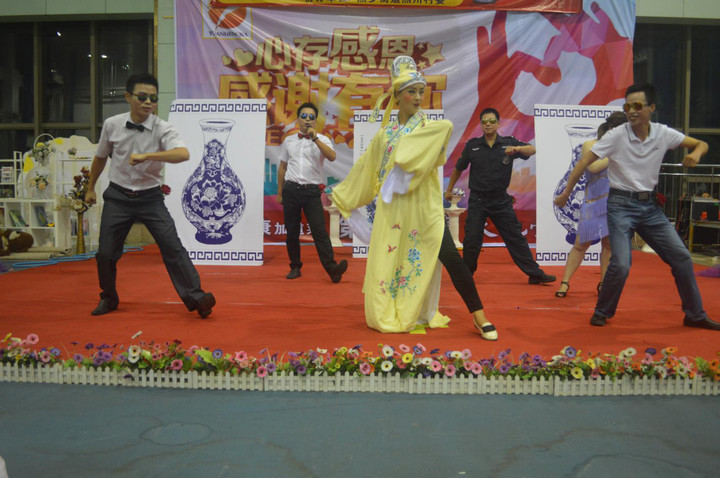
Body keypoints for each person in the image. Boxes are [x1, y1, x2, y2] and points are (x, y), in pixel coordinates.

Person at [332, 56, 497, 340]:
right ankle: (396, 309)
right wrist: (343, 195)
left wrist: (404, 162)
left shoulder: (429, 129)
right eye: (412, 92)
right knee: (391, 261)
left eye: (421, 91)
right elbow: (365, 171)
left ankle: (479, 315)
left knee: (450, 256)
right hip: (394, 209)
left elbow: (445, 131)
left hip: (424, 206)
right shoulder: (384, 136)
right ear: (397, 96)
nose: (419, 97)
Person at [555, 83, 719, 330]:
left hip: (650, 207)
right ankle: (602, 311)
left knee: (682, 258)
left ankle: (694, 314)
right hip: (620, 205)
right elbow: (584, 163)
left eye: (637, 105)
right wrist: (566, 193)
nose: (631, 110)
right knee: (621, 263)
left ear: (651, 107)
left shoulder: (663, 133)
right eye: (627, 106)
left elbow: (701, 144)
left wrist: (696, 154)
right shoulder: (616, 136)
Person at [86, 73, 215, 318]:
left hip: (150, 199)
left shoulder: (163, 128)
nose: (148, 103)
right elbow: (100, 157)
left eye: (153, 98)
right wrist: (90, 188)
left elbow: (183, 154)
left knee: (172, 247)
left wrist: (148, 156)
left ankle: (198, 298)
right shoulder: (112, 124)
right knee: (105, 253)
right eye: (142, 97)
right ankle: (109, 298)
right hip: (118, 196)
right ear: (128, 97)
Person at [445, 108, 555, 285]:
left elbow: (532, 150)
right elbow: (459, 168)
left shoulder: (508, 143)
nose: (488, 124)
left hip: (500, 200)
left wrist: (517, 148)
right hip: (478, 199)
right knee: (472, 239)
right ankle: (466, 275)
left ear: (498, 124)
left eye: (491, 121)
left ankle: (535, 274)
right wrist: (449, 189)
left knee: (515, 237)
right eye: (484, 122)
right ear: (481, 125)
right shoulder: (473, 145)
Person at [555, 112, 627, 298]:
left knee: (608, 245)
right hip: (593, 202)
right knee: (580, 244)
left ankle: (603, 284)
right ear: (609, 128)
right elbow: (593, 167)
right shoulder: (591, 145)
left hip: (615, 202)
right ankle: (564, 282)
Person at [276, 102, 348, 282]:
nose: (307, 120)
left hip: (312, 192)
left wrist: (315, 139)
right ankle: (295, 267)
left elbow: (332, 157)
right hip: (291, 190)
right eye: (304, 116)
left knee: (319, 231)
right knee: (292, 232)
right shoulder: (289, 141)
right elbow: (283, 167)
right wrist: (280, 192)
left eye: (311, 117)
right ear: (298, 120)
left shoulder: (322, 139)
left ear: (315, 121)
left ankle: (332, 269)